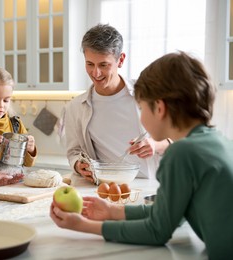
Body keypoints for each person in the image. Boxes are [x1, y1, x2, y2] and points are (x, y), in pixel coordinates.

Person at [50, 51, 233, 259]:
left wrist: (85, 226)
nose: (141, 115)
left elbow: (157, 230)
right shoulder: (221, 142)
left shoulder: (181, 154)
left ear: (160, 108)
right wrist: (112, 211)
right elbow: (169, 214)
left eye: (141, 107)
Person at [65, 24, 170, 182]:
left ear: (120, 60)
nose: (96, 73)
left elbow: (180, 139)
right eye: (90, 64)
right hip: (105, 189)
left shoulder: (149, 93)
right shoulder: (75, 107)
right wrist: (78, 165)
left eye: (103, 65)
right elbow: (73, 152)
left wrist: (155, 145)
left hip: (151, 185)